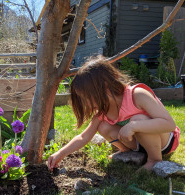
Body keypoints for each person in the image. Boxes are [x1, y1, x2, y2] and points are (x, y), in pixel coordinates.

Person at [48, 56, 180, 171]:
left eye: (86, 98)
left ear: (104, 87)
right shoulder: (103, 110)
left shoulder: (137, 95)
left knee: (138, 119)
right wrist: (60, 154)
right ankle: (127, 152)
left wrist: (133, 126)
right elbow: (84, 137)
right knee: (103, 126)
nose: (85, 104)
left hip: (164, 142)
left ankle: (154, 160)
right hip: (140, 143)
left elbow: (169, 124)